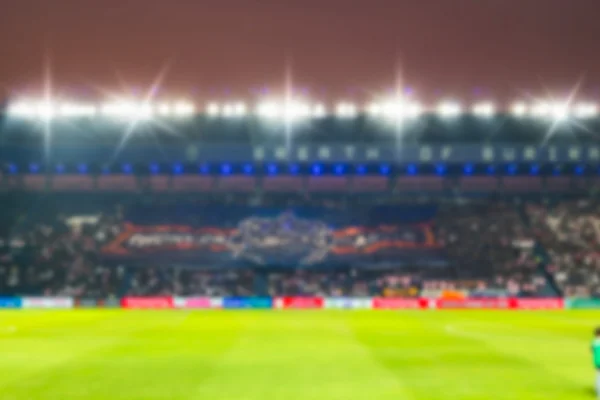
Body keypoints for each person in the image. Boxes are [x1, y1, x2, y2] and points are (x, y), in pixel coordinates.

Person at [593, 327, 600, 398]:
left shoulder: (594, 341)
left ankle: (597, 392)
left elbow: (592, 349)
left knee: (598, 376)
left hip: (597, 362)